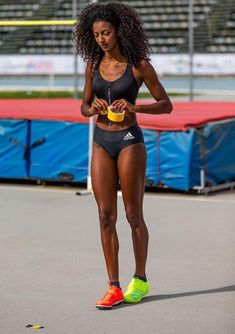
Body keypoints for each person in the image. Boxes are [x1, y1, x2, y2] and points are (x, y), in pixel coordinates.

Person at [74, 2, 172, 310]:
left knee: (132, 215)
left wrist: (135, 107)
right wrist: (95, 109)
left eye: (106, 32)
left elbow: (166, 104)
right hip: (102, 142)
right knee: (105, 216)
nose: (101, 39)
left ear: (119, 31)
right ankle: (113, 287)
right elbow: (84, 106)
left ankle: (140, 279)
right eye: (96, 34)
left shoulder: (139, 65)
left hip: (130, 141)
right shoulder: (92, 65)